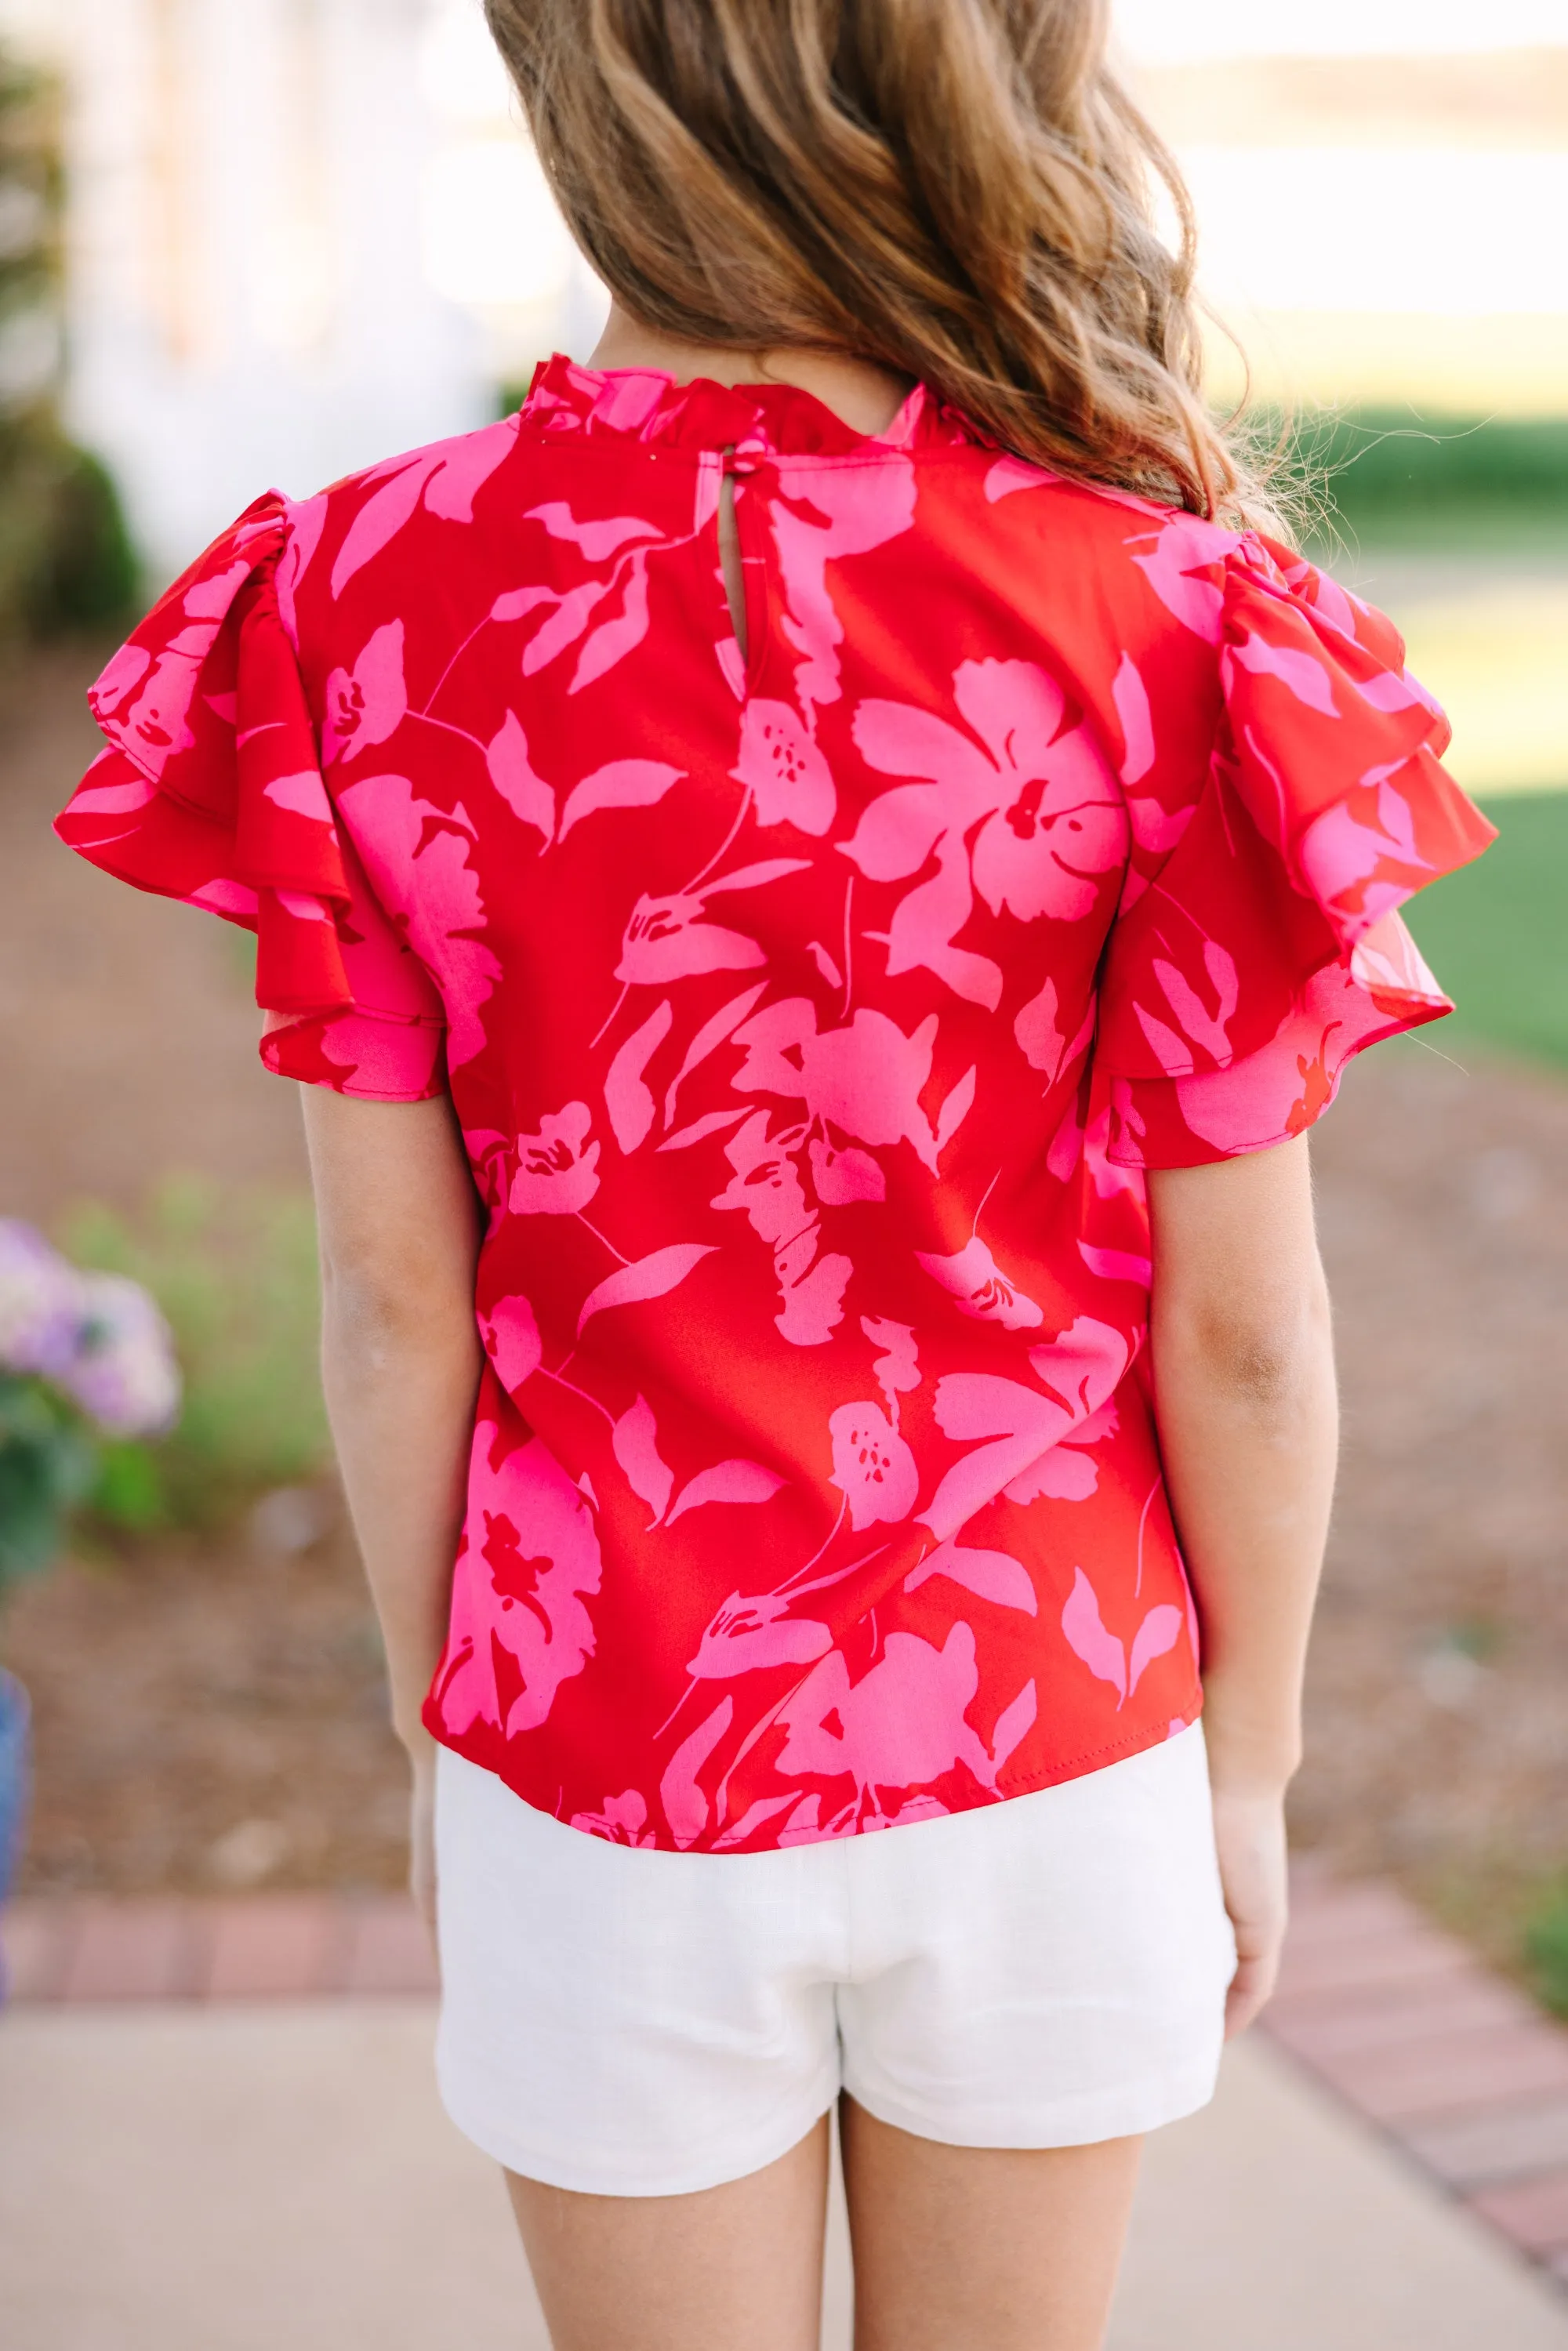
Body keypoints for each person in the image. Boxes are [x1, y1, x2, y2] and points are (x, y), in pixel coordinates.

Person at [56, 3, 1496, 2343]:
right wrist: (1249, 1762)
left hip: (597, 1714)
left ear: (568, 94)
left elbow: (397, 1299)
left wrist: (451, 1716)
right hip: (1049, 1706)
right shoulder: (1170, 615)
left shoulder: (351, 603)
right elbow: (1241, 1328)